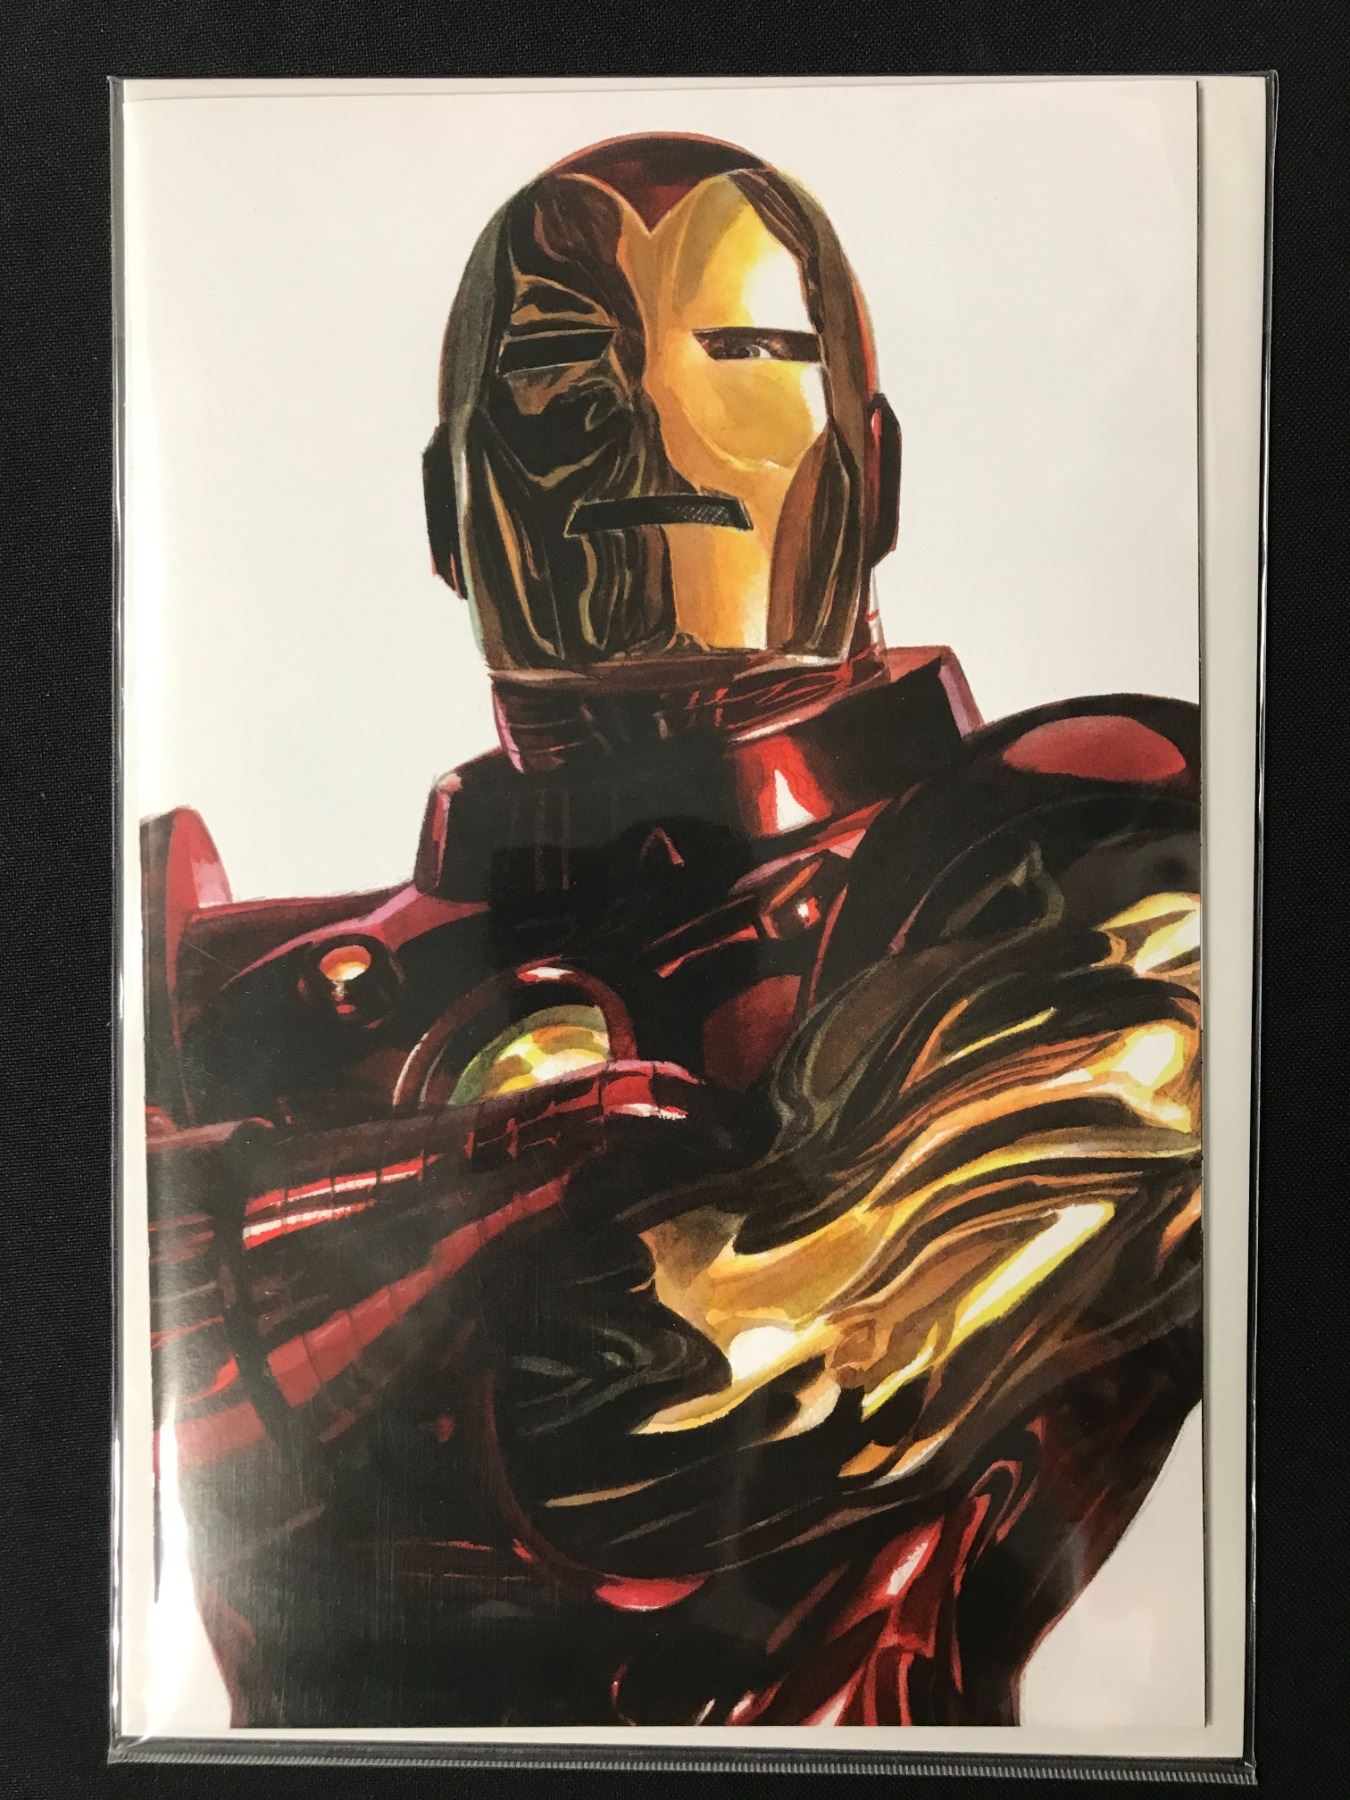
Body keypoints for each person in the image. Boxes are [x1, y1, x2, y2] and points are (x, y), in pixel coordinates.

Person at [143, 133, 1201, 1728]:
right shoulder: (213, 983)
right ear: (447, 504)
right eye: (558, 364)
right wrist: (521, 1180)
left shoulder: (1092, 842)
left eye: (748, 350)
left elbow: (675, 1406)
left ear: (873, 469)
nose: (645, 414)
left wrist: (240, 1240)